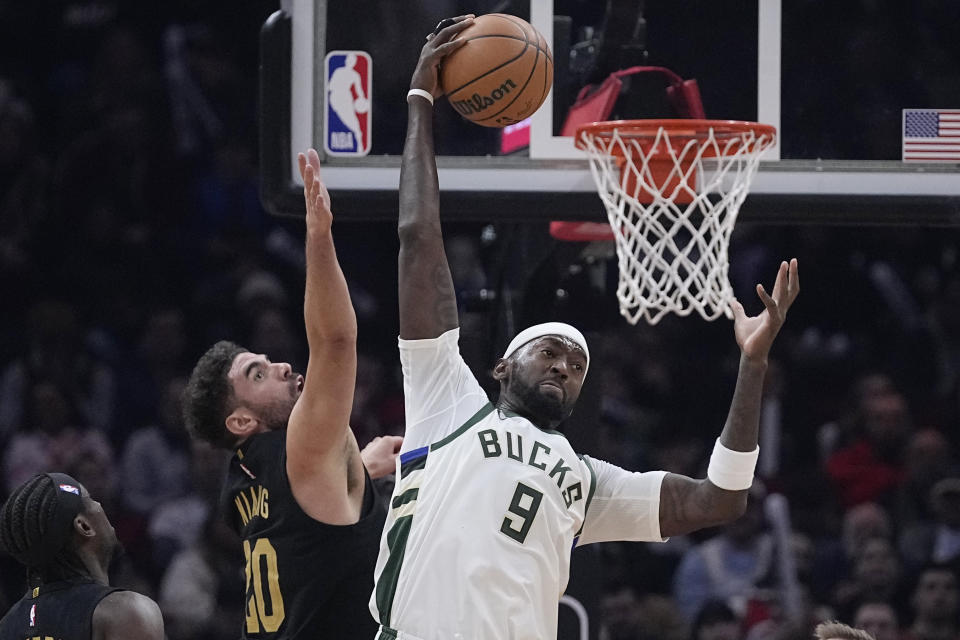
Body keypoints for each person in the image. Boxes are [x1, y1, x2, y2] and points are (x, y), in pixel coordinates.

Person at [368, 15, 801, 640]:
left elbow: (720, 500)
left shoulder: (586, 479)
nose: (565, 368)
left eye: (576, 366)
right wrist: (419, 103)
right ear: (501, 367)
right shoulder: (448, 402)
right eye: (551, 352)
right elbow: (418, 238)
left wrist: (753, 366)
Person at [182, 149, 402, 639]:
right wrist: (319, 237)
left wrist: (358, 469)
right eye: (257, 374)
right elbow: (336, 341)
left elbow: (301, 520)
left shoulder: (238, 481)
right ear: (240, 420)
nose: (281, 365)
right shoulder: (300, 449)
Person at [0, 472, 164, 639]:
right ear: (84, 526)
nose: (99, 504)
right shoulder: (126, 612)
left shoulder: (6, 626)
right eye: (91, 499)